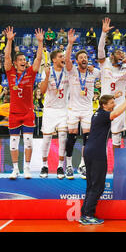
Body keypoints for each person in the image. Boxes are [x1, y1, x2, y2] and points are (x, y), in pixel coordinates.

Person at [79, 90, 126, 225]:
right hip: (97, 153)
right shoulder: (104, 115)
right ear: (104, 105)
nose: (114, 104)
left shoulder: (97, 113)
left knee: (91, 185)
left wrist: (114, 96)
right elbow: (116, 113)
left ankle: (85, 213)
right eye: (112, 103)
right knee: (98, 186)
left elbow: (111, 106)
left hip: (89, 151)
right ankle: (87, 215)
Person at [4, 26, 44, 179]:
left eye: (24, 59)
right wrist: (9, 40)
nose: (23, 61)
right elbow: (7, 57)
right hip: (14, 113)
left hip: (28, 113)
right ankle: (15, 169)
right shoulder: (10, 72)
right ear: (15, 63)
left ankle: (27, 168)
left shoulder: (30, 73)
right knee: (13, 143)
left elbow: (38, 59)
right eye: (20, 60)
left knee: (28, 141)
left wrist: (40, 43)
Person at [65, 29, 101, 179]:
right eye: (81, 57)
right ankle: (68, 166)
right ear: (77, 60)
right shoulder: (72, 71)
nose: (84, 59)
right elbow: (66, 59)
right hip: (73, 109)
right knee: (72, 136)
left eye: (86, 57)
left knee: (87, 137)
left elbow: (102, 70)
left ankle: (82, 165)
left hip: (87, 109)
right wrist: (70, 43)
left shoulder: (94, 72)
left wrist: (95, 68)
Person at [98, 18, 126, 149]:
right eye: (118, 53)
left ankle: (116, 167)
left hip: (119, 103)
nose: (121, 55)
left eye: (122, 54)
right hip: (104, 104)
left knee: (116, 136)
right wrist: (103, 34)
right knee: (100, 135)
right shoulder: (105, 63)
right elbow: (100, 50)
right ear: (112, 56)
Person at [39, 48, 69, 179]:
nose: (63, 58)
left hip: (63, 109)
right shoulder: (47, 71)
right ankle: (44, 165)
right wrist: (45, 77)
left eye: (63, 56)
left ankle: (60, 166)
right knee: (46, 139)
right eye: (61, 56)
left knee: (63, 136)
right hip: (50, 109)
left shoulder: (68, 71)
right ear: (54, 59)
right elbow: (42, 91)